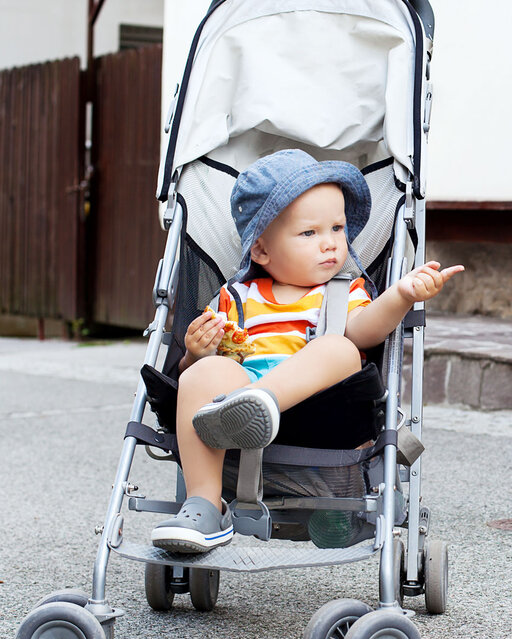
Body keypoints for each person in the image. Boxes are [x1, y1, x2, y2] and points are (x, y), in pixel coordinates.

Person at [151, 149, 463, 553]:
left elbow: (365, 331)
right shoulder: (235, 296)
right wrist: (196, 353)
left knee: (341, 348)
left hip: (320, 412)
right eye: (309, 233)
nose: (331, 244)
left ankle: (259, 402)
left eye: (337, 228)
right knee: (198, 375)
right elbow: (199, 367)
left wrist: (401, 295)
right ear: (261, 251)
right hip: (231, 413)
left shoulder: (341, 292)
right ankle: (204, 506)